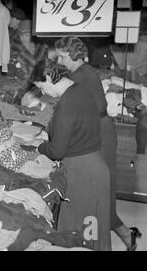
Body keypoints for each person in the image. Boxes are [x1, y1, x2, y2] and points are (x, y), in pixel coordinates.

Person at [55, 36, 142, 251]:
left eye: (63, 56)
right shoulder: (84, 71)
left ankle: (107, 240)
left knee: (99, 195)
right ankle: (127, 236)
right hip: (100, 129)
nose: (59, 60)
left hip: (98, 134)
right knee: (102, 196)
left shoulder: (80, 76)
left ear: (74, 55)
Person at [31, 58, 111, 251]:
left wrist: (39, 147)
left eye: (41, 87)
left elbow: (57, 151)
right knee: (93, 229)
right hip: (96, 167)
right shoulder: (81, 90)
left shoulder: (66, 105)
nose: (42, 92)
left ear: (49, 77)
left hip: (81, 174)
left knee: (80, 234)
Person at [9, 20, 47, 84]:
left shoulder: (42, 48)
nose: (23, 38)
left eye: (28, 35)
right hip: (21, 84)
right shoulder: (15, 51)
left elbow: (46, 67)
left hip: (41, 84)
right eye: (21, 35)